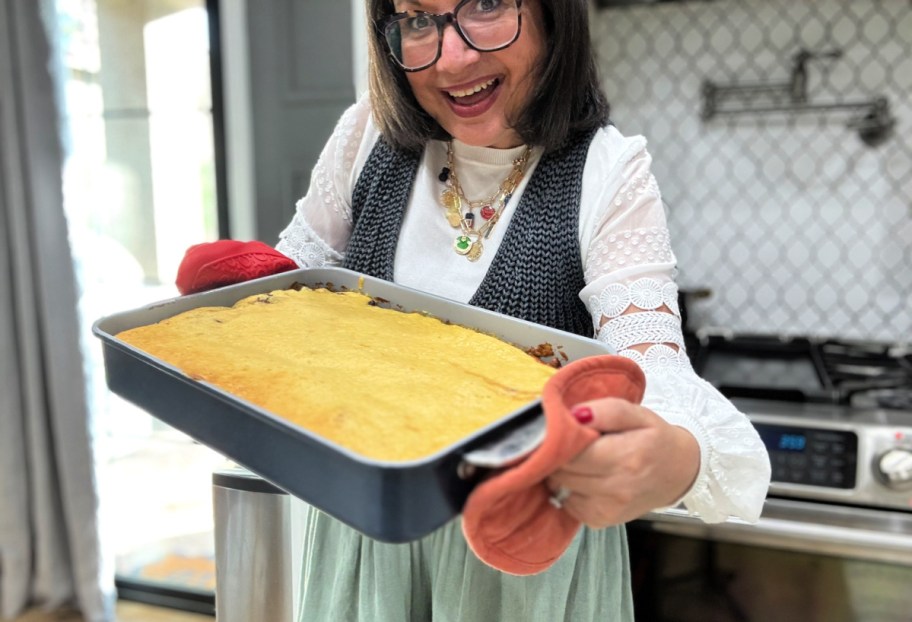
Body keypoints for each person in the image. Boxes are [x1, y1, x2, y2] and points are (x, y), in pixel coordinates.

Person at [234, 0, 770, 619]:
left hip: (524, 565)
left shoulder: (607, 173)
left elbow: (655, 370)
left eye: (485, 4)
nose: (451, 58)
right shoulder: (366, 136)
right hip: (365, 540)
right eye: (416, 19)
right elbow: (288, 295)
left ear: (551, 14)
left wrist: (675, 457)